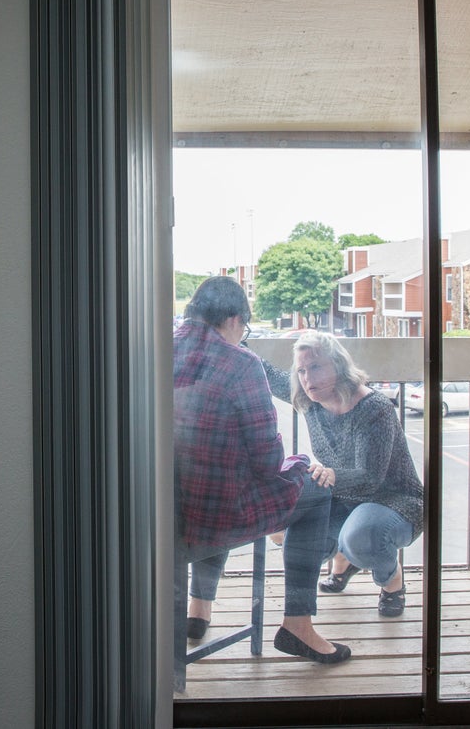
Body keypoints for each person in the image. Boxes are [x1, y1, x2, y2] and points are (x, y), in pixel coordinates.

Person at [175, 276, 349, 662]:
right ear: (235, 320)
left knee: (210, 479)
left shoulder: (155, 349)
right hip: (213, 517)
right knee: (316, 489)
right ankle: (297, 626)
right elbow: (268, 462)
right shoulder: (240, 363)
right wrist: (300, 463)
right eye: (245, 329)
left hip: (163, 517)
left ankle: (198, 610)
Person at [261, 331, 424, 617]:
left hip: (393, 500)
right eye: (301, 370)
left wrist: (332, 475)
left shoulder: (374, 408)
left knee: (363, 537)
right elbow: (269, 375)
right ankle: (344, 560)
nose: (308, 378)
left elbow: (371, 477)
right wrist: (233, 342)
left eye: (316, 367)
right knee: (286, 527)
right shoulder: (310, 398)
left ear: (338, 366)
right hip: (345, 499)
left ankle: (393, 583)